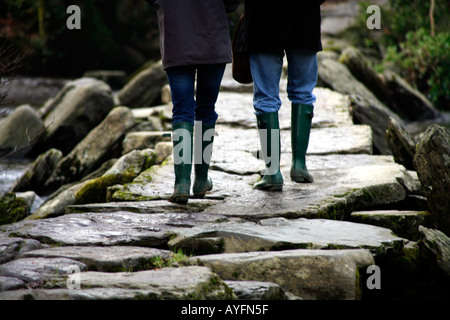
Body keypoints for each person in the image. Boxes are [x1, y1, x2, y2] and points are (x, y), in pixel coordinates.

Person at [148, 0, 241, 204]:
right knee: (206, 110)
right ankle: (200, 180)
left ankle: (181, 183)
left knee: (182, 111)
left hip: (176, 37)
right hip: (213, 35)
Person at [243, 0, 325, 191]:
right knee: (303, 93)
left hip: (262, 18)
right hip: (304, 17)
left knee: (265, 98)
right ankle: (299, 165)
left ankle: (272, 173)